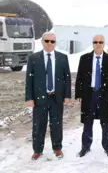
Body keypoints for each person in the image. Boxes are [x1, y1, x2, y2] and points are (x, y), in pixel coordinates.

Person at [25, 32, 71, 160]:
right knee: (39, 124)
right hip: (40, 98)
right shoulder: (34, 58)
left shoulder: (62, 58)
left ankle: (57, 148)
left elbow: (67, 78)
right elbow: (29, 79)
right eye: (47, 41)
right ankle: (37, 150)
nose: (50, 44)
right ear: (42, 42)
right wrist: (29, 97)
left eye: (52, 41)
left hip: (56, 97)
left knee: (56, 124)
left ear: (55, 43)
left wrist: (67, 95)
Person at [75, 34, 108, 158]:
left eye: (100, 42)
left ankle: (107, 147)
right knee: (87, 122)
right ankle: (85, 146)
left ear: (104, 44)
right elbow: (79, 77)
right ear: (92, 44)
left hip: (104, 95)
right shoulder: (85, 58)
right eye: (95, 42)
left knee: (105, 123)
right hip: (89, 94)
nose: (98, 44)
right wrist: (79, 94)